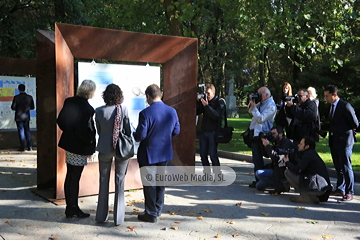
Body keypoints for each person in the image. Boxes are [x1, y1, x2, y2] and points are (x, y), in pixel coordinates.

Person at [134, 84, 180, 223]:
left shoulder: (145, 113)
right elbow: (176, 131)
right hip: (164, 152)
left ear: (148, 96)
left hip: (148, 153)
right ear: (161, 94)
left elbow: (141, 135)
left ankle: (150, 213)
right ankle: (158, 209)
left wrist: (133, 134)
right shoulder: (172, 111)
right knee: (160, 182)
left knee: (149, 184)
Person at [57, 80, 96, 218]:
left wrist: (69, 132)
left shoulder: (69, 101)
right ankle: (74, 207)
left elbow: (60, 120)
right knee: (75, 178)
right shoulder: (88, 109)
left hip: (69, 145)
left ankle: (70, 207)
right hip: (80, 146)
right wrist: (89, 142)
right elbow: (88, 130)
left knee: (70, 176)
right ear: (91, 91)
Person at [95, 84, 130, 226]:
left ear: (105, 95)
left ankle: (101, 216)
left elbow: (99, 130)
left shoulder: (98, 111)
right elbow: (127, 131)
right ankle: (118, 218)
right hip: (121, 149)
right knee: (120, 181)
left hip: (104, 148)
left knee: (103, 181)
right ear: (119, 95)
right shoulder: (124, 109)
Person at [324, 85, 359, 201]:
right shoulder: (331, 107)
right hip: (334, 140)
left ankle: (349, 191)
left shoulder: (345, 106)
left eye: (327, 96)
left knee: (346, 166)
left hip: (344, 141)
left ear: (334, 95)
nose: (326, 99)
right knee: (338, 166)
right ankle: (340, 188)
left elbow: (355, 123)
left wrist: (345, 130)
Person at [283, 136, 332, 203]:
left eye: (301, 144)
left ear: (307, 146)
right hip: (323, 189)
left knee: (287, 172)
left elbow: (297, 170)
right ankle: (312, 197)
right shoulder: (312, 154)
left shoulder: (308, 155)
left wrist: (287, 162)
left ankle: (304, 196)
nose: (298, 145)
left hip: (317, 187)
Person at [248, 87, 277, 188]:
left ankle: (262, 181)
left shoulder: (271, 105)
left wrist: (254, 108)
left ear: (266, 95)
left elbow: (261, 119)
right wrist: (252, 104)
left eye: (260, 94)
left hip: (263, 134)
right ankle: (258, 180)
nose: (258, 96)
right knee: (256, 159)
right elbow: (250, 111)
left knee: (260, 158)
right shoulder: (261, 102)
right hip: (255, 133)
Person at [196, 84, 225, 174]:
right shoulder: (205, 102)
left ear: (214, 93)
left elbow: (217, 115)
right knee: (203, 155)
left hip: (213, 132)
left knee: (213, 155)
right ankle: (207, 174)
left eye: (208, 93)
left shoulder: (219, 102)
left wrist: (207, 106)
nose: (206, 95)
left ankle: (217, 175)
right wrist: (198, 102)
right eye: (205, 93)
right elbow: (197, 111)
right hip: (204, 132)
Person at [257, 126, 294, 193]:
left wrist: (267, 146)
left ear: (280, 134)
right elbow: (267, 155)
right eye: (271, 134)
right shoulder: (277, 141)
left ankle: (281, 185)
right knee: (259, 186)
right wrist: (264, 143)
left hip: (282, 170)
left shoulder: (286, 144)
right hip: (276, 168)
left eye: (274, 133)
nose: (272, 136)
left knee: (258, 173)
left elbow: (276, 158)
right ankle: (276, 183)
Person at [11, 84, 35, 151]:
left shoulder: (16, 97)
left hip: (18, 117)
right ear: (25, 89)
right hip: (26, 116)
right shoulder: (29, 97)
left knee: (21, 131)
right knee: (27, 130)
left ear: (19, 89)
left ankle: (22, 147)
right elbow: (32, 107)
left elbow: (13, 107)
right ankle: (30, 146)